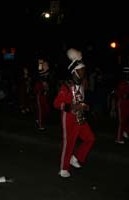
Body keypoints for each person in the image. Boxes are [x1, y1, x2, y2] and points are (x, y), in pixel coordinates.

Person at [53, 48, 95, 178]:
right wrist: (72, 106)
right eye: (81, 70)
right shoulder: (66, 86)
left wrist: (84, 106)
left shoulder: (82, 85)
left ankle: (75, 157)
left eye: (84, 69)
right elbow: (56, 104)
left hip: (80, 117)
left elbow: (80, 101)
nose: (84, 71)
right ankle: (63, 168)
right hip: (69, 118)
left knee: (90, 138)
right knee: (69, 143)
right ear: (75, 71)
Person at [114, 58, 129, 144]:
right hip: (122, 102)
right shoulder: (124, 73)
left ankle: (126, 132)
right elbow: (119, 90)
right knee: (122, 121)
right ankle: (119, 139)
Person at [34, 56, 51, 131]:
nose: (47, 65)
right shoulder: (41, 72)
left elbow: (47, 83)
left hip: (44, 94)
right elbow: (40, 70)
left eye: (47, 64)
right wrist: (40, 63)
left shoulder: (47, 73)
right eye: (45, 64)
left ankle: (38, 119)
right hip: (39, 94)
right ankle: (40, 125)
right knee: (41, 110)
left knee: (46, 109)